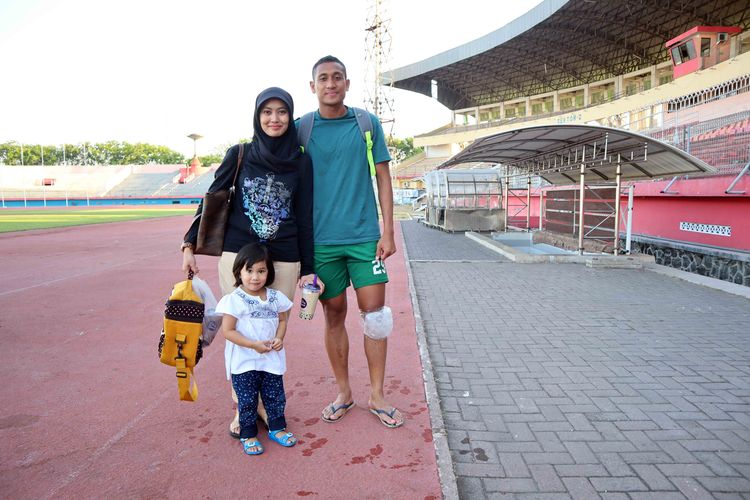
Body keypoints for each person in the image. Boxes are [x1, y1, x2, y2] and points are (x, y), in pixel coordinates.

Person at [181, 87, 317, 438]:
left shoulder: (301, 161)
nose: (275, 118)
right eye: (267, 112)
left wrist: (310, 266)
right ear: (257, 117)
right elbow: (211, 199)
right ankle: (245, 408)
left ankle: (265, 404)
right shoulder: (239, 154)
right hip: (238, 258)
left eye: (282, 112)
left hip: (284, 258)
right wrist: (188, 245)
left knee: (271, 332)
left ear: (291, 116)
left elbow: (304, 217)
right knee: (238, 331)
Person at [303, 55, 403, 428]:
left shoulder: (366, 123)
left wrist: (388, 231)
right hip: (322, 243)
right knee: (333, 314)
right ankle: (344, 392)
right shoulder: (303, 129)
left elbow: (384, 178)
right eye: (323, 78)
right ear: (312, 86)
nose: (331, 83)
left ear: (347, 83)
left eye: (337, 77)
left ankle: (377, 395)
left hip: (364, 238)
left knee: (376, 317)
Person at [215, 243, 296, 455]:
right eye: (249, 271)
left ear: (268, 272)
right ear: (239, 272)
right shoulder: (233, 300)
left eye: (261, 271)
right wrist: (253, 345)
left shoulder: (275, 297)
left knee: (275, 396)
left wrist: (279, 337)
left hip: (270, 360)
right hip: (244, 363)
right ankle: (248, 434)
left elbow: (283, 321)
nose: (255, 277)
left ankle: (277, 428)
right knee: (247, 399)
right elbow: (228, 331)